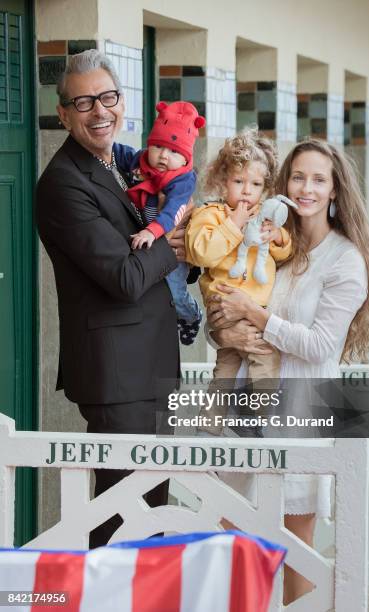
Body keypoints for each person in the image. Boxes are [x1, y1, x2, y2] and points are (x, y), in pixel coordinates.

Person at [205, 139, 369, 603]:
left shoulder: (346, 260)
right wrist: (227, 332)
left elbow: (322, 344)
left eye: (318, 179)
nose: (306, 188)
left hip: (303, 409)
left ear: (334, 191)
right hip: (248, 403)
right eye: (298, 177)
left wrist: (257, 316)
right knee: (231, 528)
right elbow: (229, 307)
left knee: (293, 540)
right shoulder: (275, 243)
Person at [36, 49, 184, 548]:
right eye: (84, 102)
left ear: (122, 101)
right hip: (116, 375)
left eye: (109, 97)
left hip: (152, 365)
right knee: (121, 512)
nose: (100, 110)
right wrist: (175, 244)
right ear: (62, 114)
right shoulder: (63, 183)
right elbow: (123, 277)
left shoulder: (122, 163)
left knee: (151, 509)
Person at [185, 128, 292, 432]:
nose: (247, 191)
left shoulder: (268, 217)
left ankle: (235, 424)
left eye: (256, 184)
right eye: (238, 181)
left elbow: (288, 253)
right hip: (224, 305)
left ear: (266, 188)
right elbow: (200, 252)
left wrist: (278, 238)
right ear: (222, 180)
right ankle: (239, 425)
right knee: (247, 361)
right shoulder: (212, 214)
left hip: (254, 308)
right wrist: (233, 224)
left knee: (244, 364)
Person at [113, 100, 205, 345]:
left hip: (170, 247)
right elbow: (116, 152)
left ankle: (191, 314)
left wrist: (152, 233)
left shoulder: (182, 181)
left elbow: (172, 212)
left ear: (185, 157)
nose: (164, 156)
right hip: (152, 245)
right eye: (158, 147)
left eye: (174, 152)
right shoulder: (141, 162)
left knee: (175, 291)